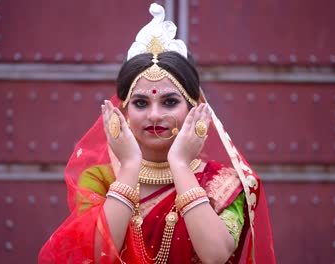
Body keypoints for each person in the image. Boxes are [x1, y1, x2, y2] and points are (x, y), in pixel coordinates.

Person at [38, 3, 275, 264]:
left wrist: (180, 165)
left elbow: (216, 255)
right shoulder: (101, 179)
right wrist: (129, 166)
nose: (154, 115)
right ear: (124, 111)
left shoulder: (222, 183)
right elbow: (96, 255)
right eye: (140, 103)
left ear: (194, 108)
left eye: (170, 102)